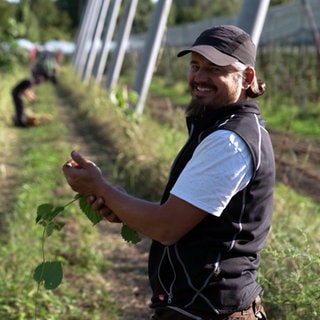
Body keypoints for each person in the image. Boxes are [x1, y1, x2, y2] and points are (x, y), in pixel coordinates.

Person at [62, 25, 275, 320]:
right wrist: (119, 205)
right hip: (196, 306)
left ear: (247, 77)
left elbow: (166, 227)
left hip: (211, 310)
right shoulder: (217, 129)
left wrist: (101, 188)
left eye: (215, 69)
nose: (199, 77)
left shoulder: (230, 141)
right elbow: (181, 217)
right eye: (195, 66)